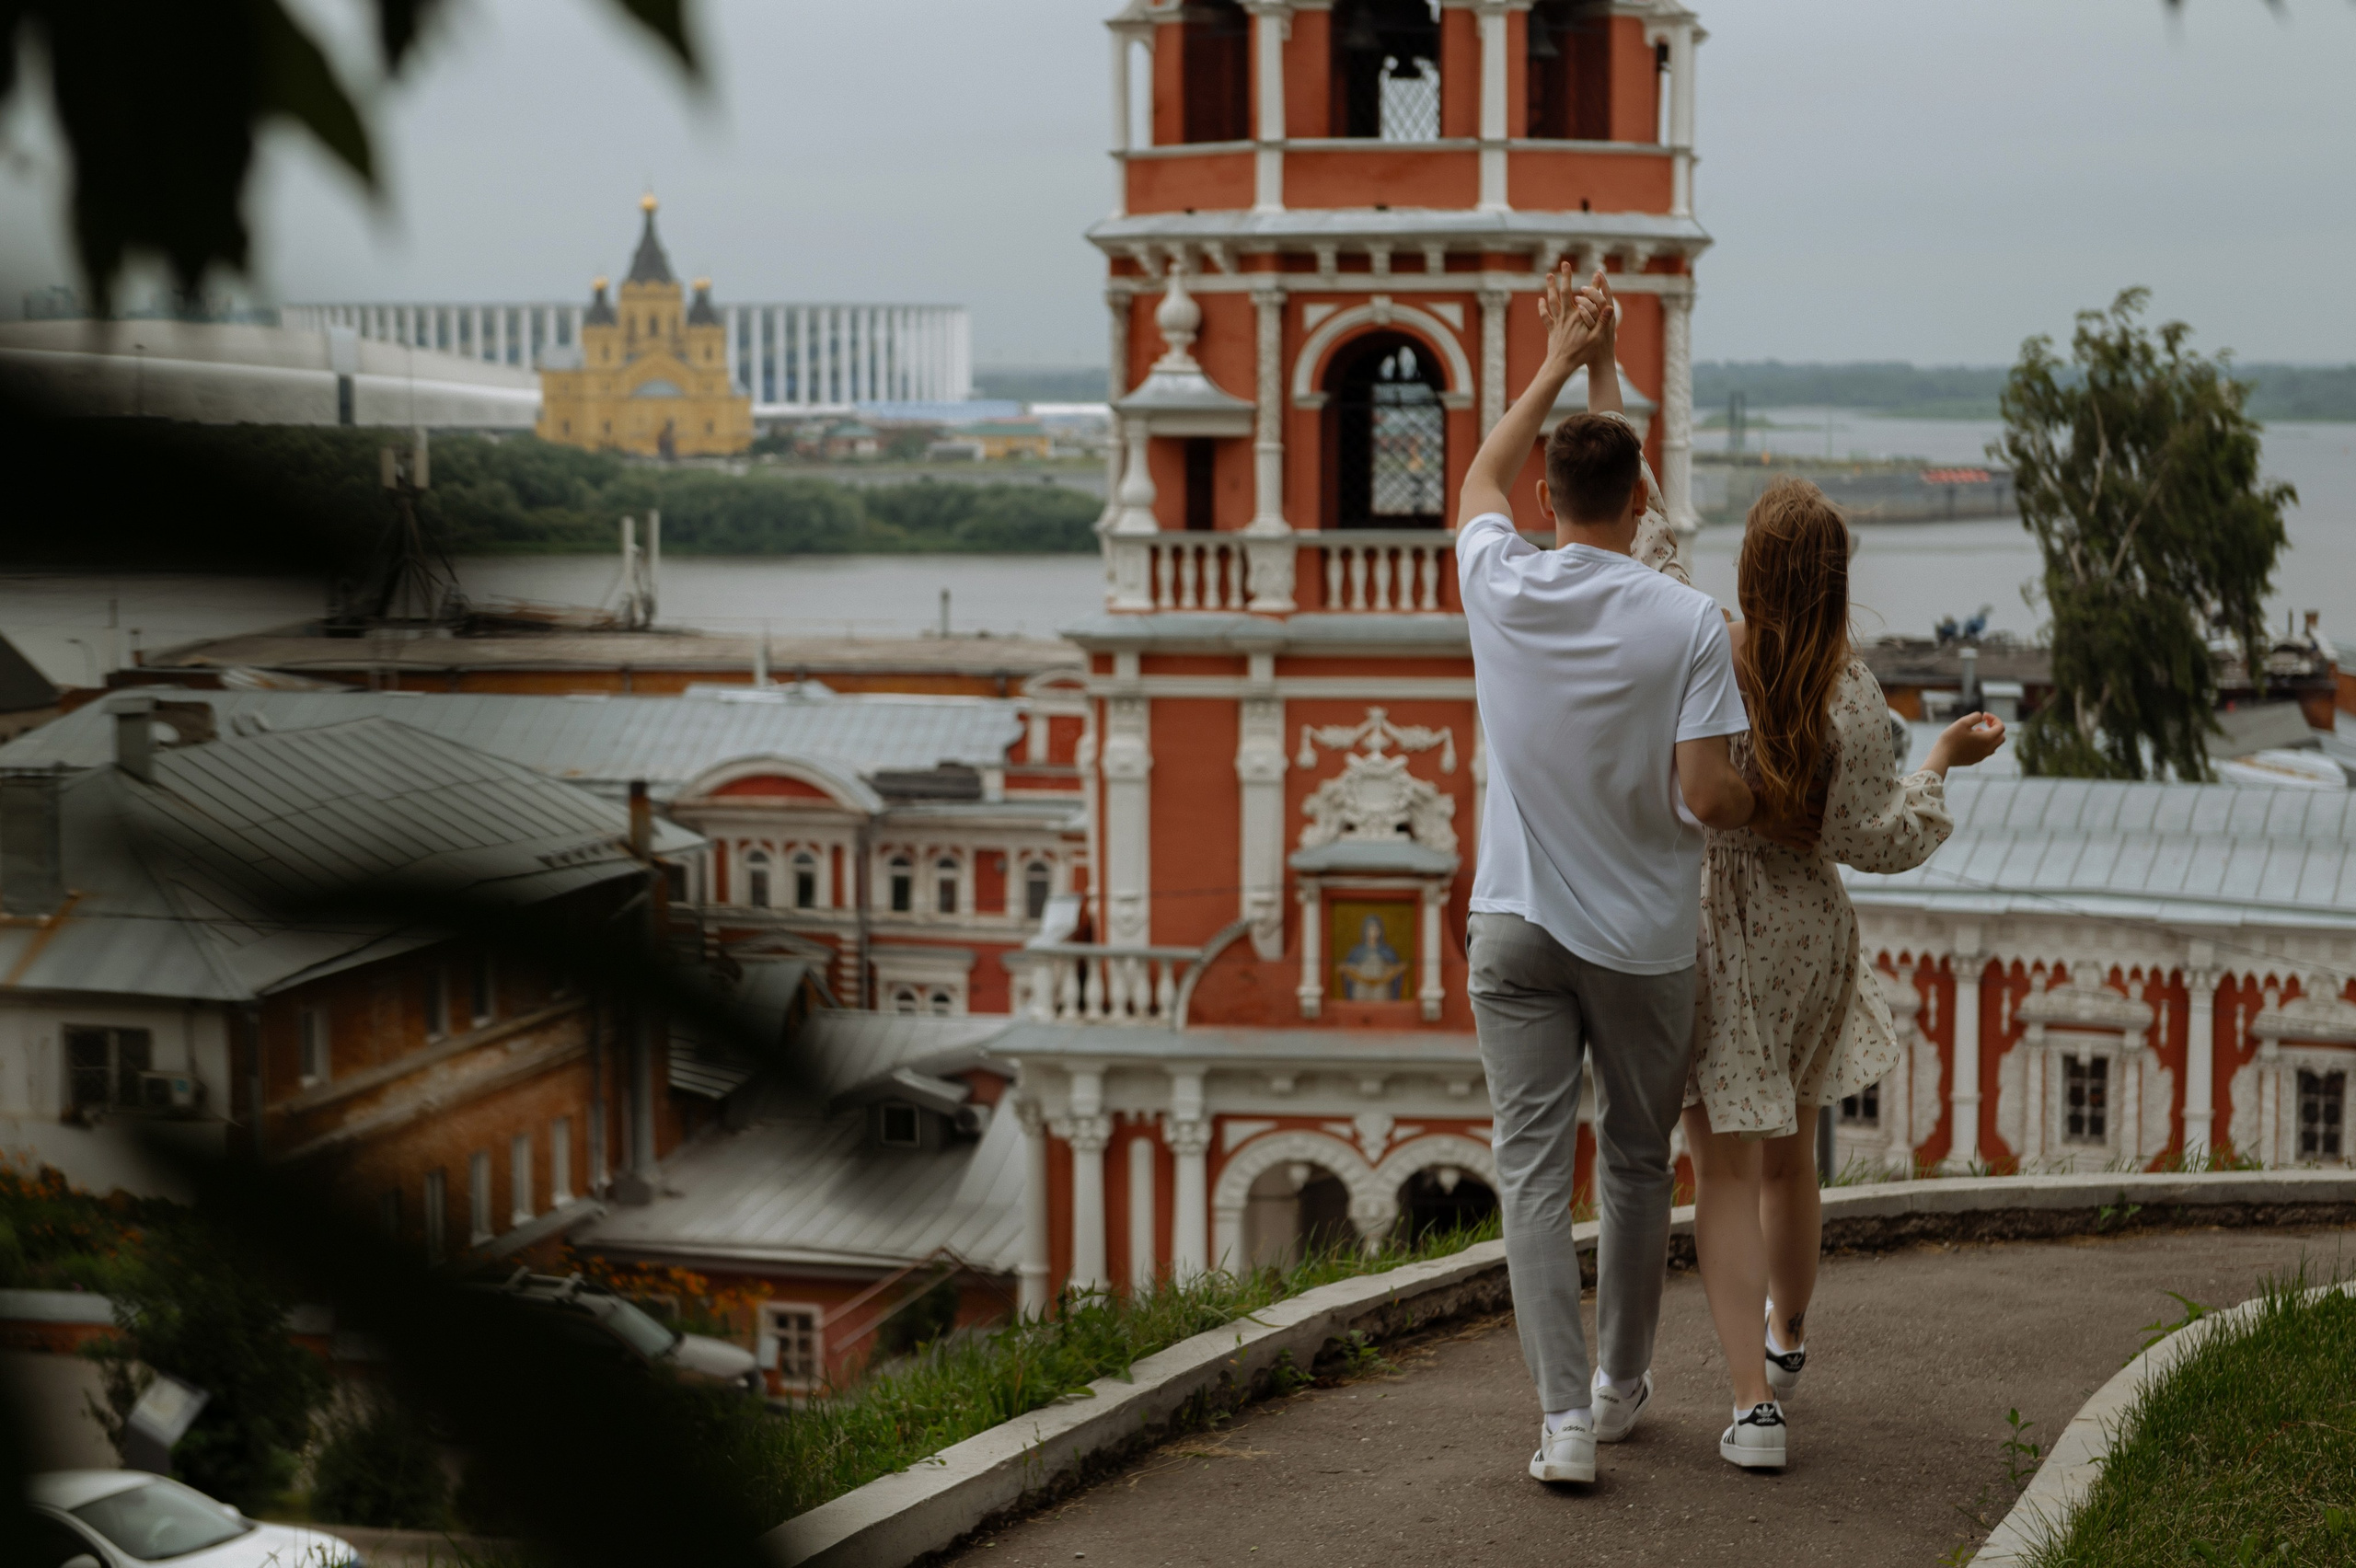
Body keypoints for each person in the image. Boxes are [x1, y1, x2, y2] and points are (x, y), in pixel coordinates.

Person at [1641, 406, 2007, 1470]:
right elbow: (1881, 840)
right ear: (1837, 582)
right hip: (1811, 934)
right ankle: (1787, 1339)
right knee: (1791, 1160)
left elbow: (1652, 539)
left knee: (1718, 1171)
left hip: (1721, 928)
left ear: (1749, 571)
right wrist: (1941, 756)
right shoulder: (1850, 697)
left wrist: (1603, 373)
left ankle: (1753, 1408)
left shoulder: (1707, 650)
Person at [1456, 265, 1757, 1486]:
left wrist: (1560, 360)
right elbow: (1705, 795)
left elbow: (1479, 478)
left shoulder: (1501, 582)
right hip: (1641, 940)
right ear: (1641, 500)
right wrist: (1759, 789)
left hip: (1515, 925)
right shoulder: (1684, 621)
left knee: (1532, 1173)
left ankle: (1561, 1425)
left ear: (1548, 498)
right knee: (1637, 1159)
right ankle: (1622, 1389)